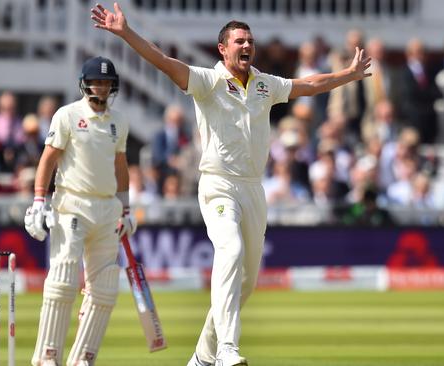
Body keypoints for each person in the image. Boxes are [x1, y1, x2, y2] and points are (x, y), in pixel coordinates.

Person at [91, 4, 371, 365]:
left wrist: (348, 74)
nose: (247, 45)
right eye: (239, 40)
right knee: (231, 251)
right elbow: (163, 61)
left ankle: (202, 357)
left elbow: (308, 85)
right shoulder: (208, 81)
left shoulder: (265, 84)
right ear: (222, 48)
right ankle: (227, 348)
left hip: (254, 188)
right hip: (219, 184)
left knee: (246, 284)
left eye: (250, 40)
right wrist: (126, 33)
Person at [23, 55, 137, 366]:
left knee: (105, 289)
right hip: (71, 204)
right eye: (96, 81)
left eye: (107, 82)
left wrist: (126, 209)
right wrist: (37, 201)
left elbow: (120, 166)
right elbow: (48, 159)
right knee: (63, 279)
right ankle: (48, 356)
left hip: (107, 208)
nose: (101, 87)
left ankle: (83, 357)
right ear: (85, 84)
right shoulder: (68, 115)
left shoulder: (119, 121)